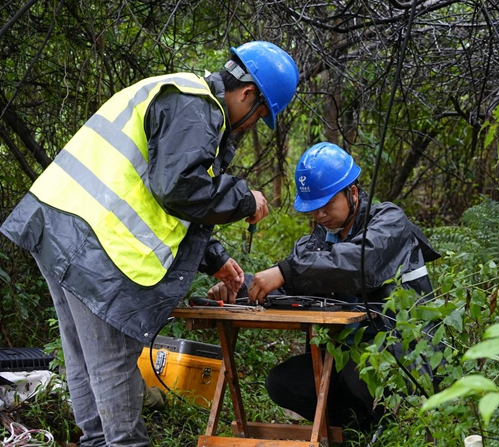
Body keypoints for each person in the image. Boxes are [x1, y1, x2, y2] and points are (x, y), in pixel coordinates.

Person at [0, 41, 299, 446]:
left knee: (85, 360)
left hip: (58, 223)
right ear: (248, 94)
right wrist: (246, 198)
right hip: (95, 244)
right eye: (260, 114)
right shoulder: (199, 108)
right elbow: (179, 188)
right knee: (112, 364)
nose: (251, 124)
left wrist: (216, 260)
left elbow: (170, 198)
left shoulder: (179, 93)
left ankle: (96, 441)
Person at [209, 142, 440, 431]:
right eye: (314, 208)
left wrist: (285, 271)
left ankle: (398, 427)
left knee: (362, 369)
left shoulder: (389, 222)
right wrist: (242, 288)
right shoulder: (316, 242)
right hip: (344, 357)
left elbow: (358, 265)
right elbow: (289, 286)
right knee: (283, 383)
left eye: (327, 204)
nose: (320, 215)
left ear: (352, 193)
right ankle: (355, 432)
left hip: (406, 357)